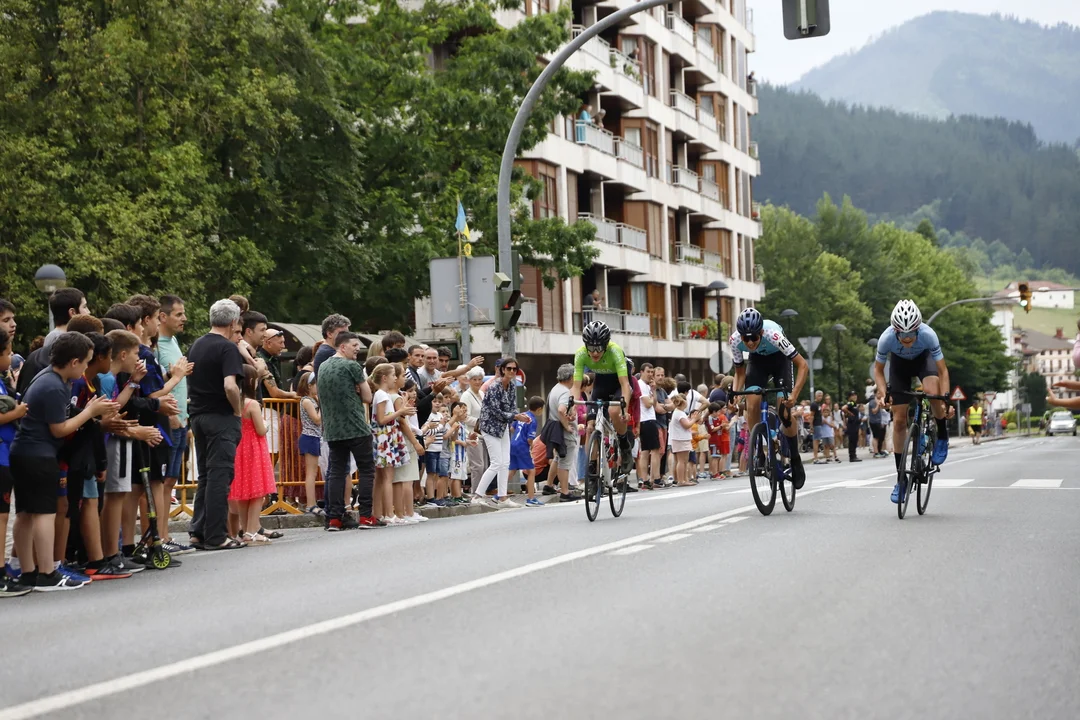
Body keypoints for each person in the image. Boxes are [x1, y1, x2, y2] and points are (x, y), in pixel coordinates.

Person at [11, 332, 119, 591]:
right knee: (44, 514)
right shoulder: (54, 385)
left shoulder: (48, 377)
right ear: (73, 362)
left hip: (24, 452)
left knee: (25, 514)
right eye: (85, 362)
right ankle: (47, 572)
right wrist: (90, 412)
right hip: (39, 454)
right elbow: (59, 429)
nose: (85, 369)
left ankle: (28, 571)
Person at [873, 299, 952, 504]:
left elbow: (942, 371)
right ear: (895, 331)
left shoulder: (928, 335)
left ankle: (942, 435)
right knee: (899, 420)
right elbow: (879, 371)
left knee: (932, 391)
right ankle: (901, 479)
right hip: (899, 366)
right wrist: (883, 393)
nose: (907, 339)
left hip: (923, 361)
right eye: (902, 335)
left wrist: (945, 398)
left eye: (911, 334)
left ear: (918, 329)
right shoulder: (886, 339)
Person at [187, 299, 246, 551]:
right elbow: (230, 385)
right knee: (220, 475)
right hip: (220, 416)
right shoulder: (227, 348)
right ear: (233, 322)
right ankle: (217, 535)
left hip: (198, 415)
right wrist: (237, 410)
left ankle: (198, 531)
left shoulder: (197, 345)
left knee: (206, 476)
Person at [728, 308, 809, 487]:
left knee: (784, 412)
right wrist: (734, 394)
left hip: (780, 361)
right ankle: (759, 451)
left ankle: (795, 458)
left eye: (754, 338)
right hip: (758, 363)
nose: (750, 342)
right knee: (751, 404)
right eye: (746, 338)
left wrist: (794, 394)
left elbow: (803, 365)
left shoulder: (774, 335)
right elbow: (739, 372)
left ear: (762, 333)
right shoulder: (734, 340)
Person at [319, 332, 380, 530]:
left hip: (333, 428)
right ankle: (365, 516)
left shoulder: (323, 366)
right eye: (354, 345)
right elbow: (368, 397)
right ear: (342, 347)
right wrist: (358, 390)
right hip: (356, 426)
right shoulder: (352, 366)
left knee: (336, 471)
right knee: (366, 470)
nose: (358, 349)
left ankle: (334, 518)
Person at [154, 294, 195, 555]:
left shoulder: (173, 341)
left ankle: (165, 535)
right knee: (162, 481)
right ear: (162, 317)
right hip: (168, 419)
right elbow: (159, 382)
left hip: (180, 419)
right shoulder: (156, 345)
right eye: (179, 314)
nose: (184, 319)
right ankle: (158, 538)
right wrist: (167, 414)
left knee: (170, 481)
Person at [570, 321, 635, 474]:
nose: (594, 353)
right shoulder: (580, 354)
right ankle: (592, 470)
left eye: (599, 348)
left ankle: (624, 444)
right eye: (591, 348)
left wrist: (624, 410)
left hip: (619, 383)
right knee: (590, 426)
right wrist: (572, 407)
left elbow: (625, 384)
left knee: (614, 411)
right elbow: (576, 386)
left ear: (606, 345)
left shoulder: (615, 351)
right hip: (601, 384)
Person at [228, 366, 277, 545]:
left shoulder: (234, 402)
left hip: (239, 448)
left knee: (243, 492)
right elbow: (261, 430)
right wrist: (267, 425)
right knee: (258, 492)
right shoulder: (252, 404)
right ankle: (252, 531)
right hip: (254, 449)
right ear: (251, 381)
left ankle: (245, 529)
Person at [0, 328, 32, 597]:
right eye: (8, 352)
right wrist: (17, 412)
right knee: (0, 518)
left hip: (5, 454)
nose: (11, 357)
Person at [474, 357, 530, 507]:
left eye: (514, 369)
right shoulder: (494, 387)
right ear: (503, 370)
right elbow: (495, 411)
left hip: (502, 427)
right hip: (489, 427)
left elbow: (511, 408)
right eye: (509, 368)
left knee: (505, 463)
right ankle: (477, 496)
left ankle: (502, 497)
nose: (511, 371)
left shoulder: (511, 386)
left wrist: (519, 416)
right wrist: (515, 417)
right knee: (496, 463)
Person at [296, 373, 323, 515]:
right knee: (311, 473)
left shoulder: (313, 399)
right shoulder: (306, 401)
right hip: (309, 436)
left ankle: (312, 503)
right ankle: (311, 504)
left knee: (313, 472)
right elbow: (317, 420)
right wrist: (324, 407)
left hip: (315, 437)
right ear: (309, 385)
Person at [510, 397, 543, 506]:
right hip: (522, 447)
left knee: (512, 470)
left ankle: (499, 494)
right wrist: (532, 446)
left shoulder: (522, 415)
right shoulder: (532, 420)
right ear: (539, 409)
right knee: (531, 471)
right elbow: (529, 439)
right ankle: (531, 498)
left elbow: (512, 428)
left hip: (513, 444)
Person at [842, 390, 863, 462]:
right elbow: (843, 408)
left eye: (855, 395)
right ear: (849, 397)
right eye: (852, 395)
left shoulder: (854, 404)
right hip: (852, 424)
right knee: (852, 440)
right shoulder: (851, 403)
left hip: (855, 424)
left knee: (854, 440)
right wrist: (850, 414)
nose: (855, 397)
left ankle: (854, 455)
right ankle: (852, 456)